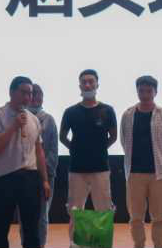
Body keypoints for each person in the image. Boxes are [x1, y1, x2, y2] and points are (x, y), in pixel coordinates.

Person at [0, 76, 51, 248]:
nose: (28, 97)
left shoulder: (33, 119)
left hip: (30, 178)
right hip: (4, 179)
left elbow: (39, 151)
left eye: (30, 93)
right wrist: (14, 126)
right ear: (11, 92)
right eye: (24, 92)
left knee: (32, 230)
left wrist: (44, 180)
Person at [60, 69, 117, 241]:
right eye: (84, 82)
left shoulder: (107, 110)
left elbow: (113, 137)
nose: (87, 85)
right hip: (77, 170)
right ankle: (75, 244)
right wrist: (75, 149)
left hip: (101, 168)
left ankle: (102, 244)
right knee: (75, 212)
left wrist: (99, 149)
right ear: (79, 85)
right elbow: (62, 137)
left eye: (91, 81)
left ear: (97, 84)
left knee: (104, 211)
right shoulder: (70, 112)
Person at [120, 75, 162, 248]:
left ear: (155, 92)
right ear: (137, 91)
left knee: (158, 217)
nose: (145, 94)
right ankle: (139, 245)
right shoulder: (128, 114)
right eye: (141, 91)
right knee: (136, 217)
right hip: (134, 173)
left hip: (158, 174)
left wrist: (160, 156)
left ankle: (158, 245)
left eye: (149, 91)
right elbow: (124, 140)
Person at [18, 83, 59, 248]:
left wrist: (45, 174)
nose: (36, 97)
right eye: (32, 94)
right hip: (24, 174)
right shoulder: (20, 118)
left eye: (39, 94)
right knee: (24, 216)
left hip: (45, 176)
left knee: (42, 216)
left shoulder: (49, 119)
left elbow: (53, 150)